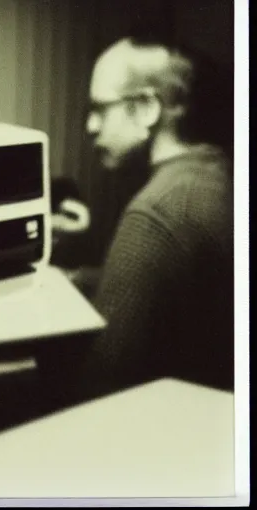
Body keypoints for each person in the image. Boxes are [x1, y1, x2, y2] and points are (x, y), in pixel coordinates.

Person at [49, 34, 234, 402]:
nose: (90, 126)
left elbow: (100, 386)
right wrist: (76, 279)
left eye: (100, 109)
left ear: (148, 108)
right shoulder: (217, 175)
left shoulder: (157, 213)